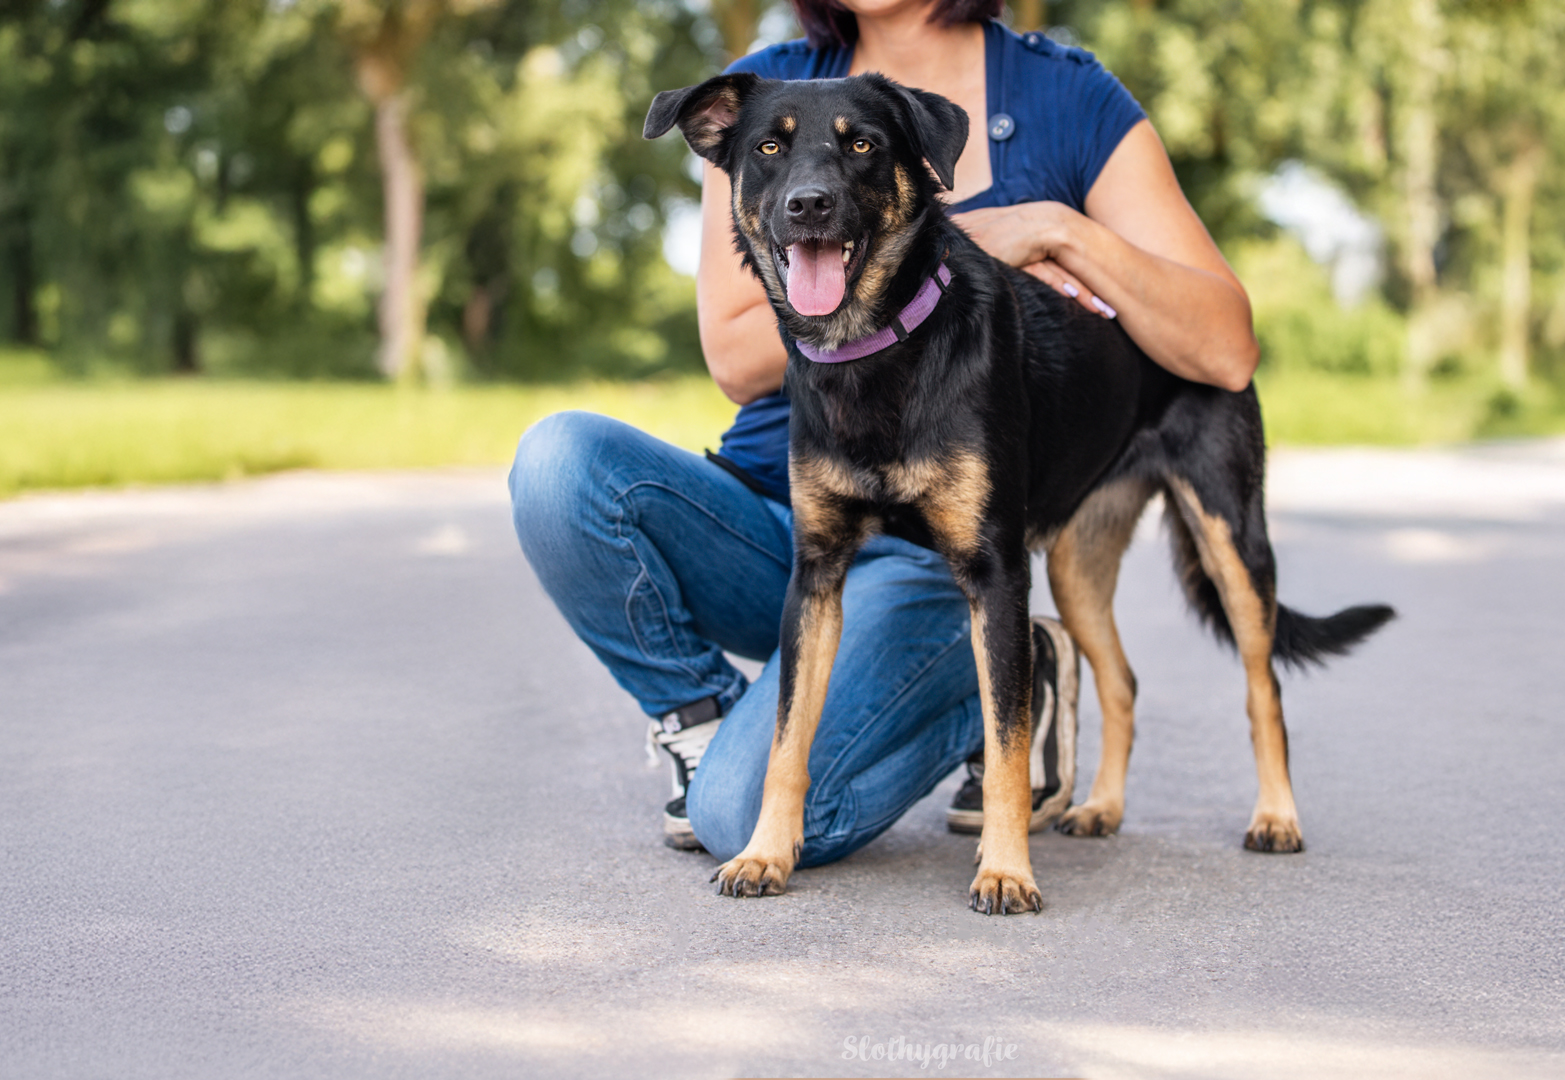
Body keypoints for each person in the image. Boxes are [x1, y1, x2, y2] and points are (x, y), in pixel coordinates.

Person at [509, 0, 1259, 865]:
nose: (810, 180)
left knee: (733, 818)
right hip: (779, 511)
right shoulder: (767, 88)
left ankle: (1000, 685)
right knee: (559, 463)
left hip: (928, 558)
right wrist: (946, 245)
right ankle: (700, 719)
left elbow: (1227, 349)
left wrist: (1057, 226)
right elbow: (735, 357)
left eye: (857, 150)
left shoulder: (1068, 96)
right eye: (778, 155)